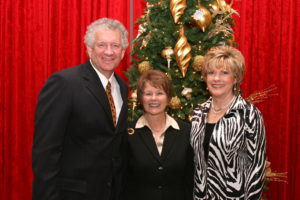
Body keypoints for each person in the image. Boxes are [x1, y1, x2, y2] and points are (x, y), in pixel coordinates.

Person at [32, 18, 129, 200]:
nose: (109, 52)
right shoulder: (64, 83)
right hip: (73, 194)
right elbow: (46, 151)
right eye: (101, 45)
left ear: (123, 52)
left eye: (115, 46)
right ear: (89, 49)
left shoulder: (122, 88)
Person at [190, 46, 266, 199]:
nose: (216, 78)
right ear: (205, 78)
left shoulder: (248, 114)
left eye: (224, 73)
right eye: (211, 73)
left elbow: (256, 169)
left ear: (235, 78)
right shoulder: (198, 113)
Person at [122, 70, 194, 200]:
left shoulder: (186, 132)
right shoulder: (127, 133)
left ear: (168, 98)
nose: (153, 98)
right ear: (140, 98)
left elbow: (191, 178)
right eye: (148, 93)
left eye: (159, 93)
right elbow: (120, 179)